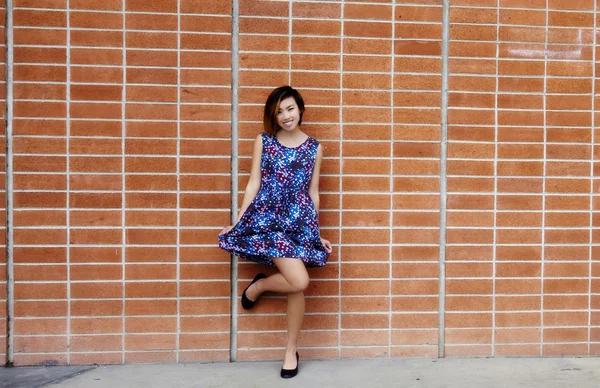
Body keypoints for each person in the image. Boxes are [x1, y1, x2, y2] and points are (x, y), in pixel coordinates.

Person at [218, 85, 332, 379]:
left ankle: (289, 349)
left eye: (290, 108)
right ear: (273, 114)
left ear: (301, 109)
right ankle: (259, 287)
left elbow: (313, 193)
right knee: (299, 280)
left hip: (298, 223)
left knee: (297, 285)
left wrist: (314, 233)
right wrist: (240, 219)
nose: (285, 115)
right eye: (279, 111)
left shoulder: (315, 148)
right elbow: (253, 182)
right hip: (268, 221)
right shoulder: (264, 141)